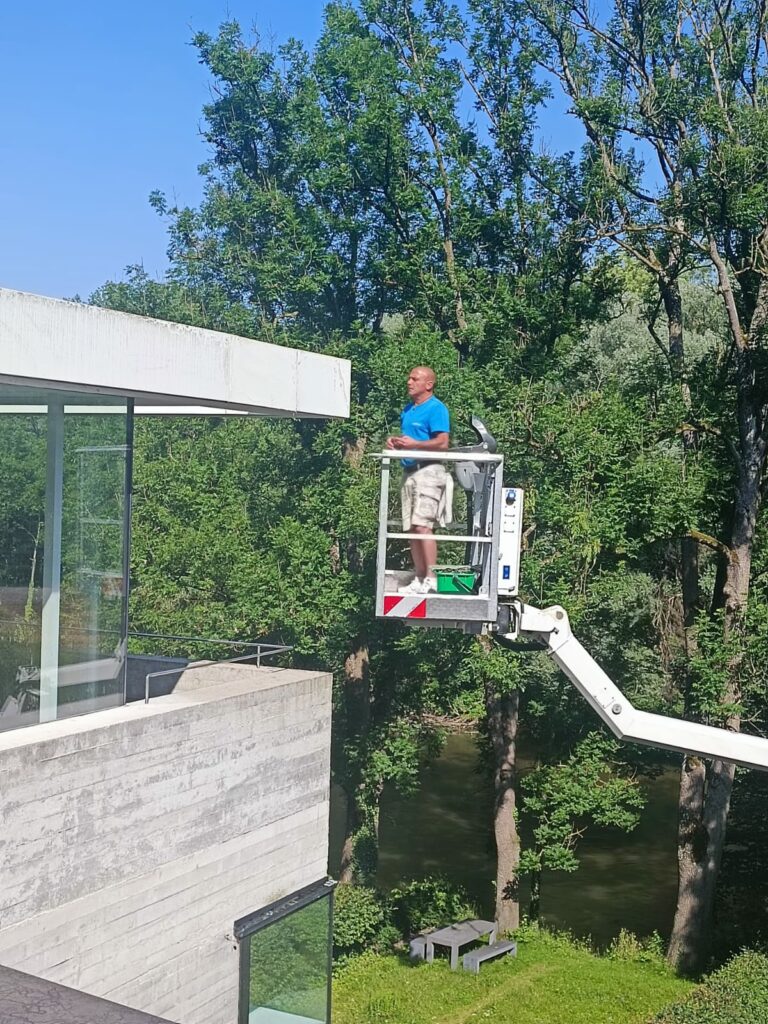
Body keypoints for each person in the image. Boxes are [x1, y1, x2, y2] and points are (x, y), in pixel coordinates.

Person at [386, 366, 451, 594]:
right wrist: (395, 443)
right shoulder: (408, 409)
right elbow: (411, 438)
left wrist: (414, 445)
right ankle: (419, 577)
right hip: (409, 471)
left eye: (415, 378)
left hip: (429, 471)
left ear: (428, 384)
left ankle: (431, 578)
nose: (409, 382)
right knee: (412, 528)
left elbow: (442, 443)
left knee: (423, 526)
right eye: (409, 377)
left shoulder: (436, 408)